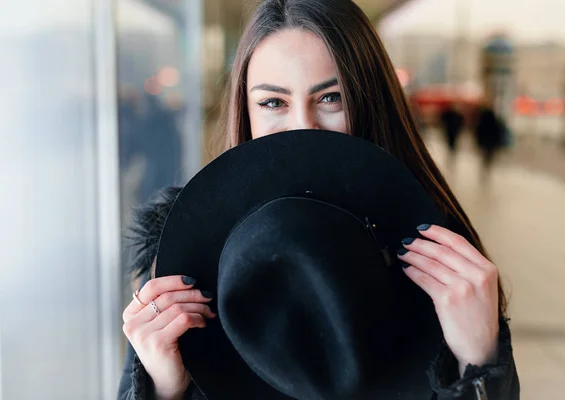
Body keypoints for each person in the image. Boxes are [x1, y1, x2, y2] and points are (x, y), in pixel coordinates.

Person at [118, 0, 520, 399]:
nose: (302, 126)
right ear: (247, 111)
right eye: (273, 102)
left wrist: (479, 363)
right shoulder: (181, 258)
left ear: (369, 102)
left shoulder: (439, 261)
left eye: (331, 98)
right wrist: (161, 389)